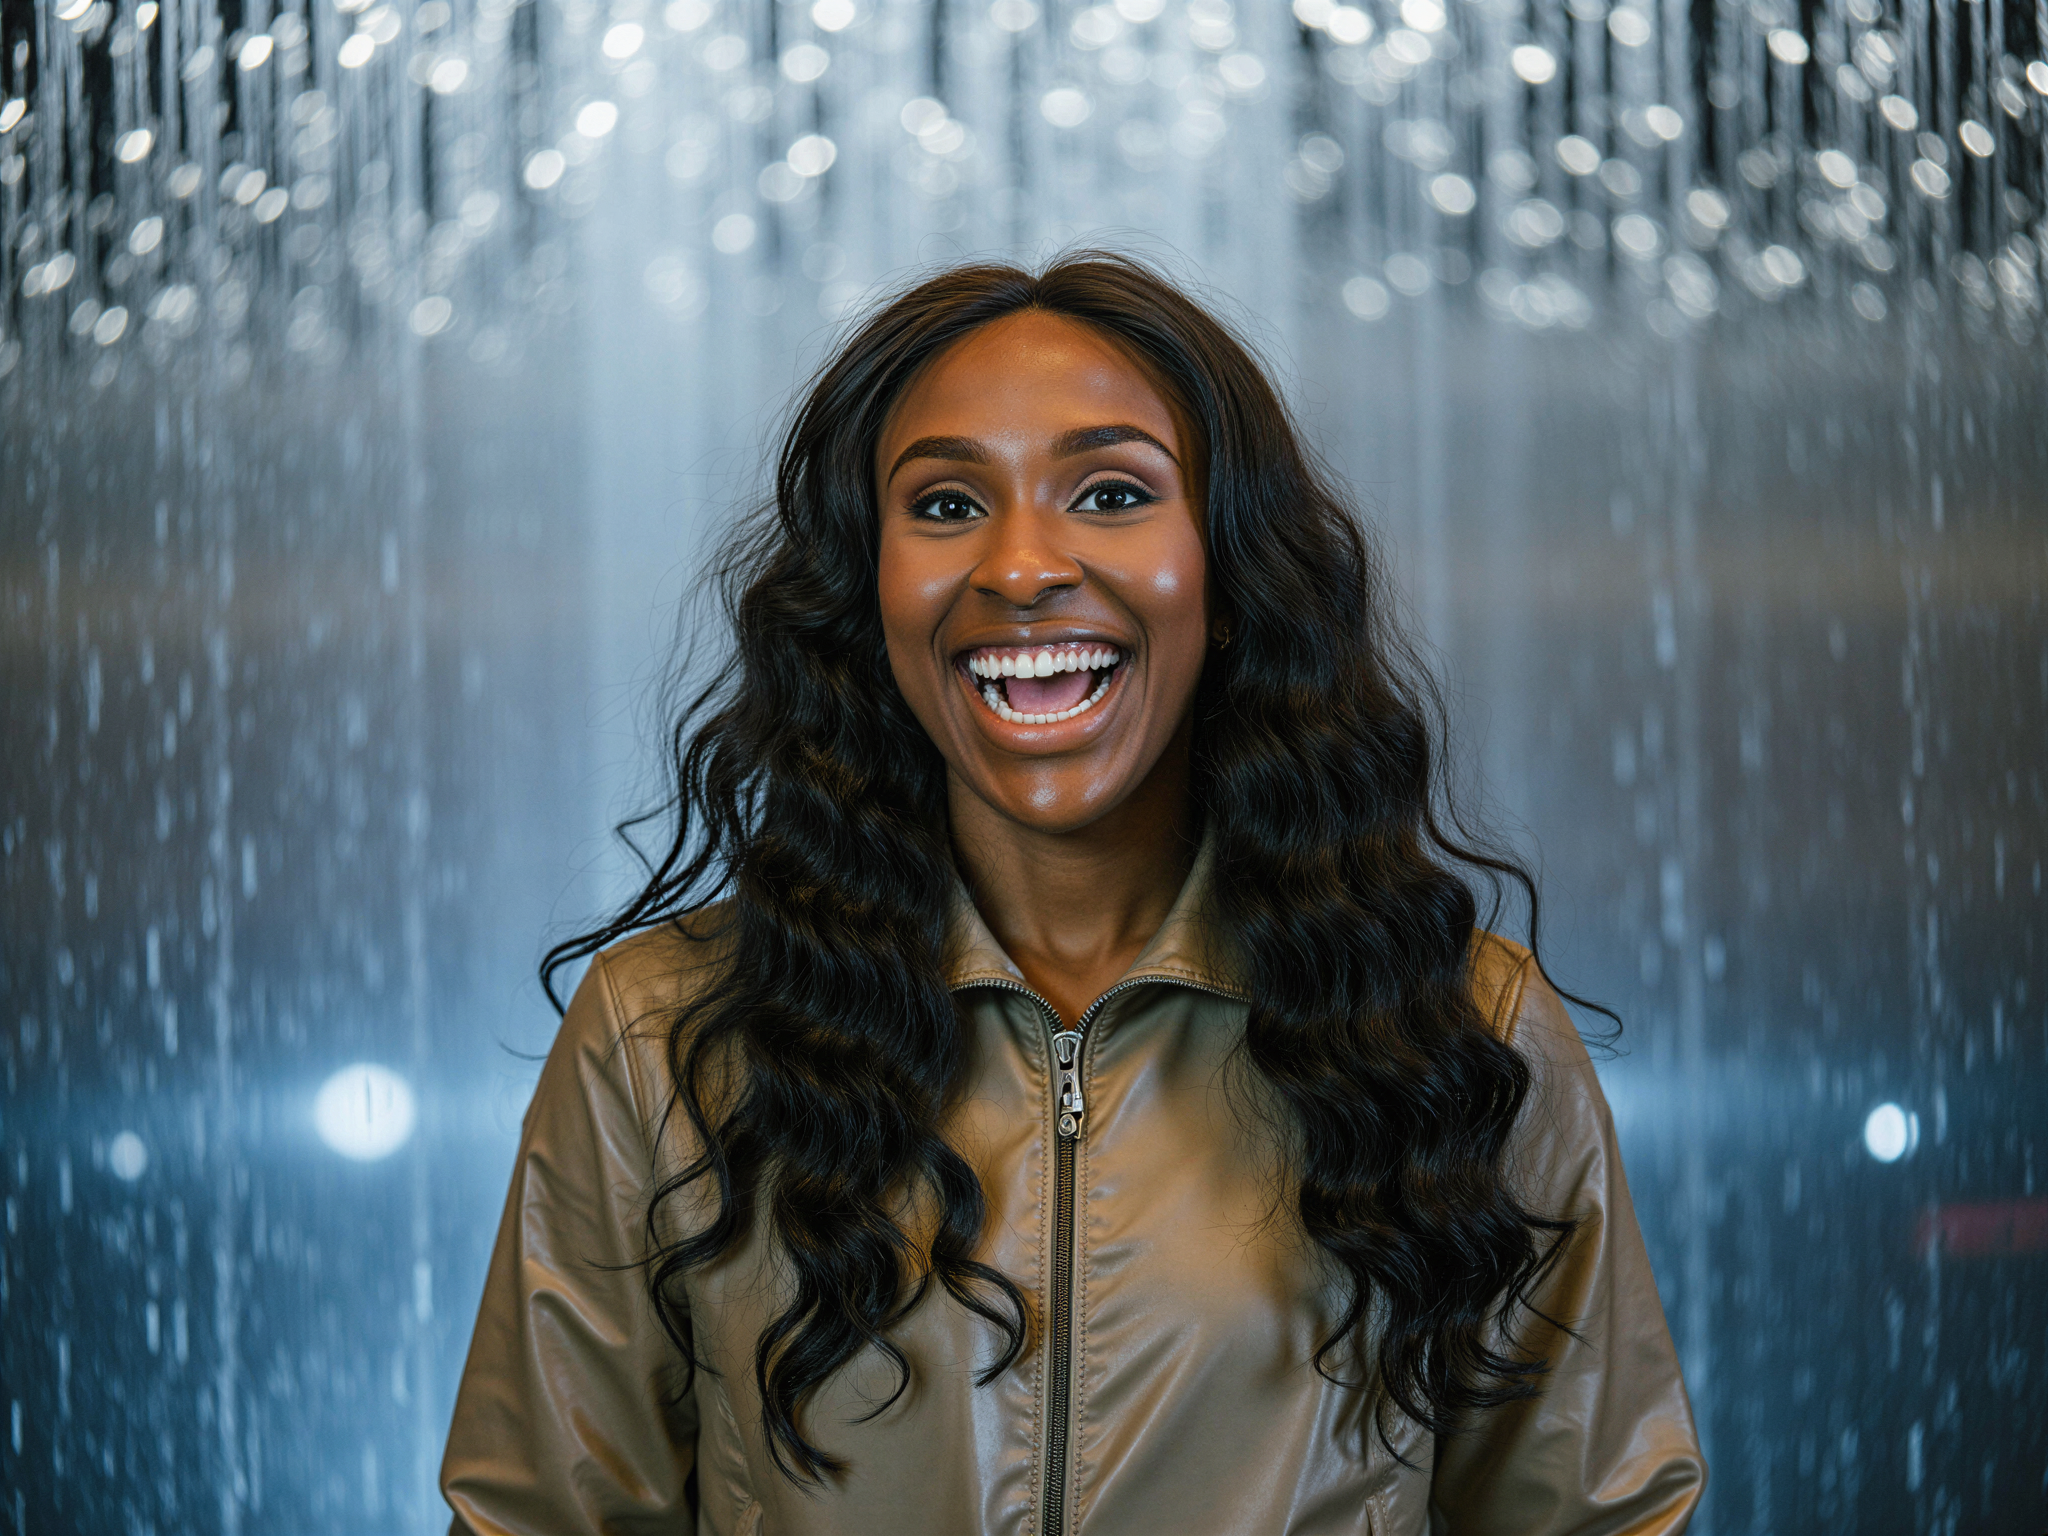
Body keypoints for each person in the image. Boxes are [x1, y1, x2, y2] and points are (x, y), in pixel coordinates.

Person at [440, 253, 1705, 1535]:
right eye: (942, 505)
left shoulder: (1458, 1030)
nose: (1022, 564)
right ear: (864, 590)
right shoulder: (664, 1035)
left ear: (1224, 571)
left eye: (1108, 492)